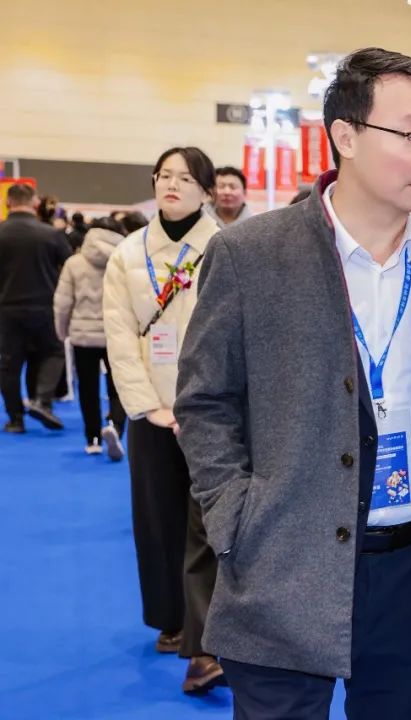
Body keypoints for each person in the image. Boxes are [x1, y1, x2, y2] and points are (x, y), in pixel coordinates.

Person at [173, 47, 411, 719]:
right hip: (283, 563)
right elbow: (205, 402)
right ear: (345, 136)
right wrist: (236, 520)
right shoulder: (249, 254)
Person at [102, 146, 224, 693]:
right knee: (157, 520)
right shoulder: (128, 253)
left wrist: (201, 404)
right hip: (150, 410)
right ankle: (170, 620)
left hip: (211, 411)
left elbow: (231, 336)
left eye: (185, 178)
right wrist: (149, 407)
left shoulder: (224, 246)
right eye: (164, 175)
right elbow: (120, 336)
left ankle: (206, 643)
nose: (172, 184)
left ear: (205, 190)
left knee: (208, 525)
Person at [0, 181, 71, 432]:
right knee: (53, 353)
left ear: (8, 202)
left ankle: (15, 419)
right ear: (35, 202)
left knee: (8, 364)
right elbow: (70, 267)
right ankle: (42, 400)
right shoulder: (51, 234)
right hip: (45, 307)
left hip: (7, 310)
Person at [53, 216, 127, 458]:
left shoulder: (74, 263)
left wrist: (62, 331)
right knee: (120, 386)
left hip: (82, 335)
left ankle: (93, 438)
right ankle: (115, 426)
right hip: (117, 333)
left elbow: (63, 302)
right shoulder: (125, 259)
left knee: (87, 387)